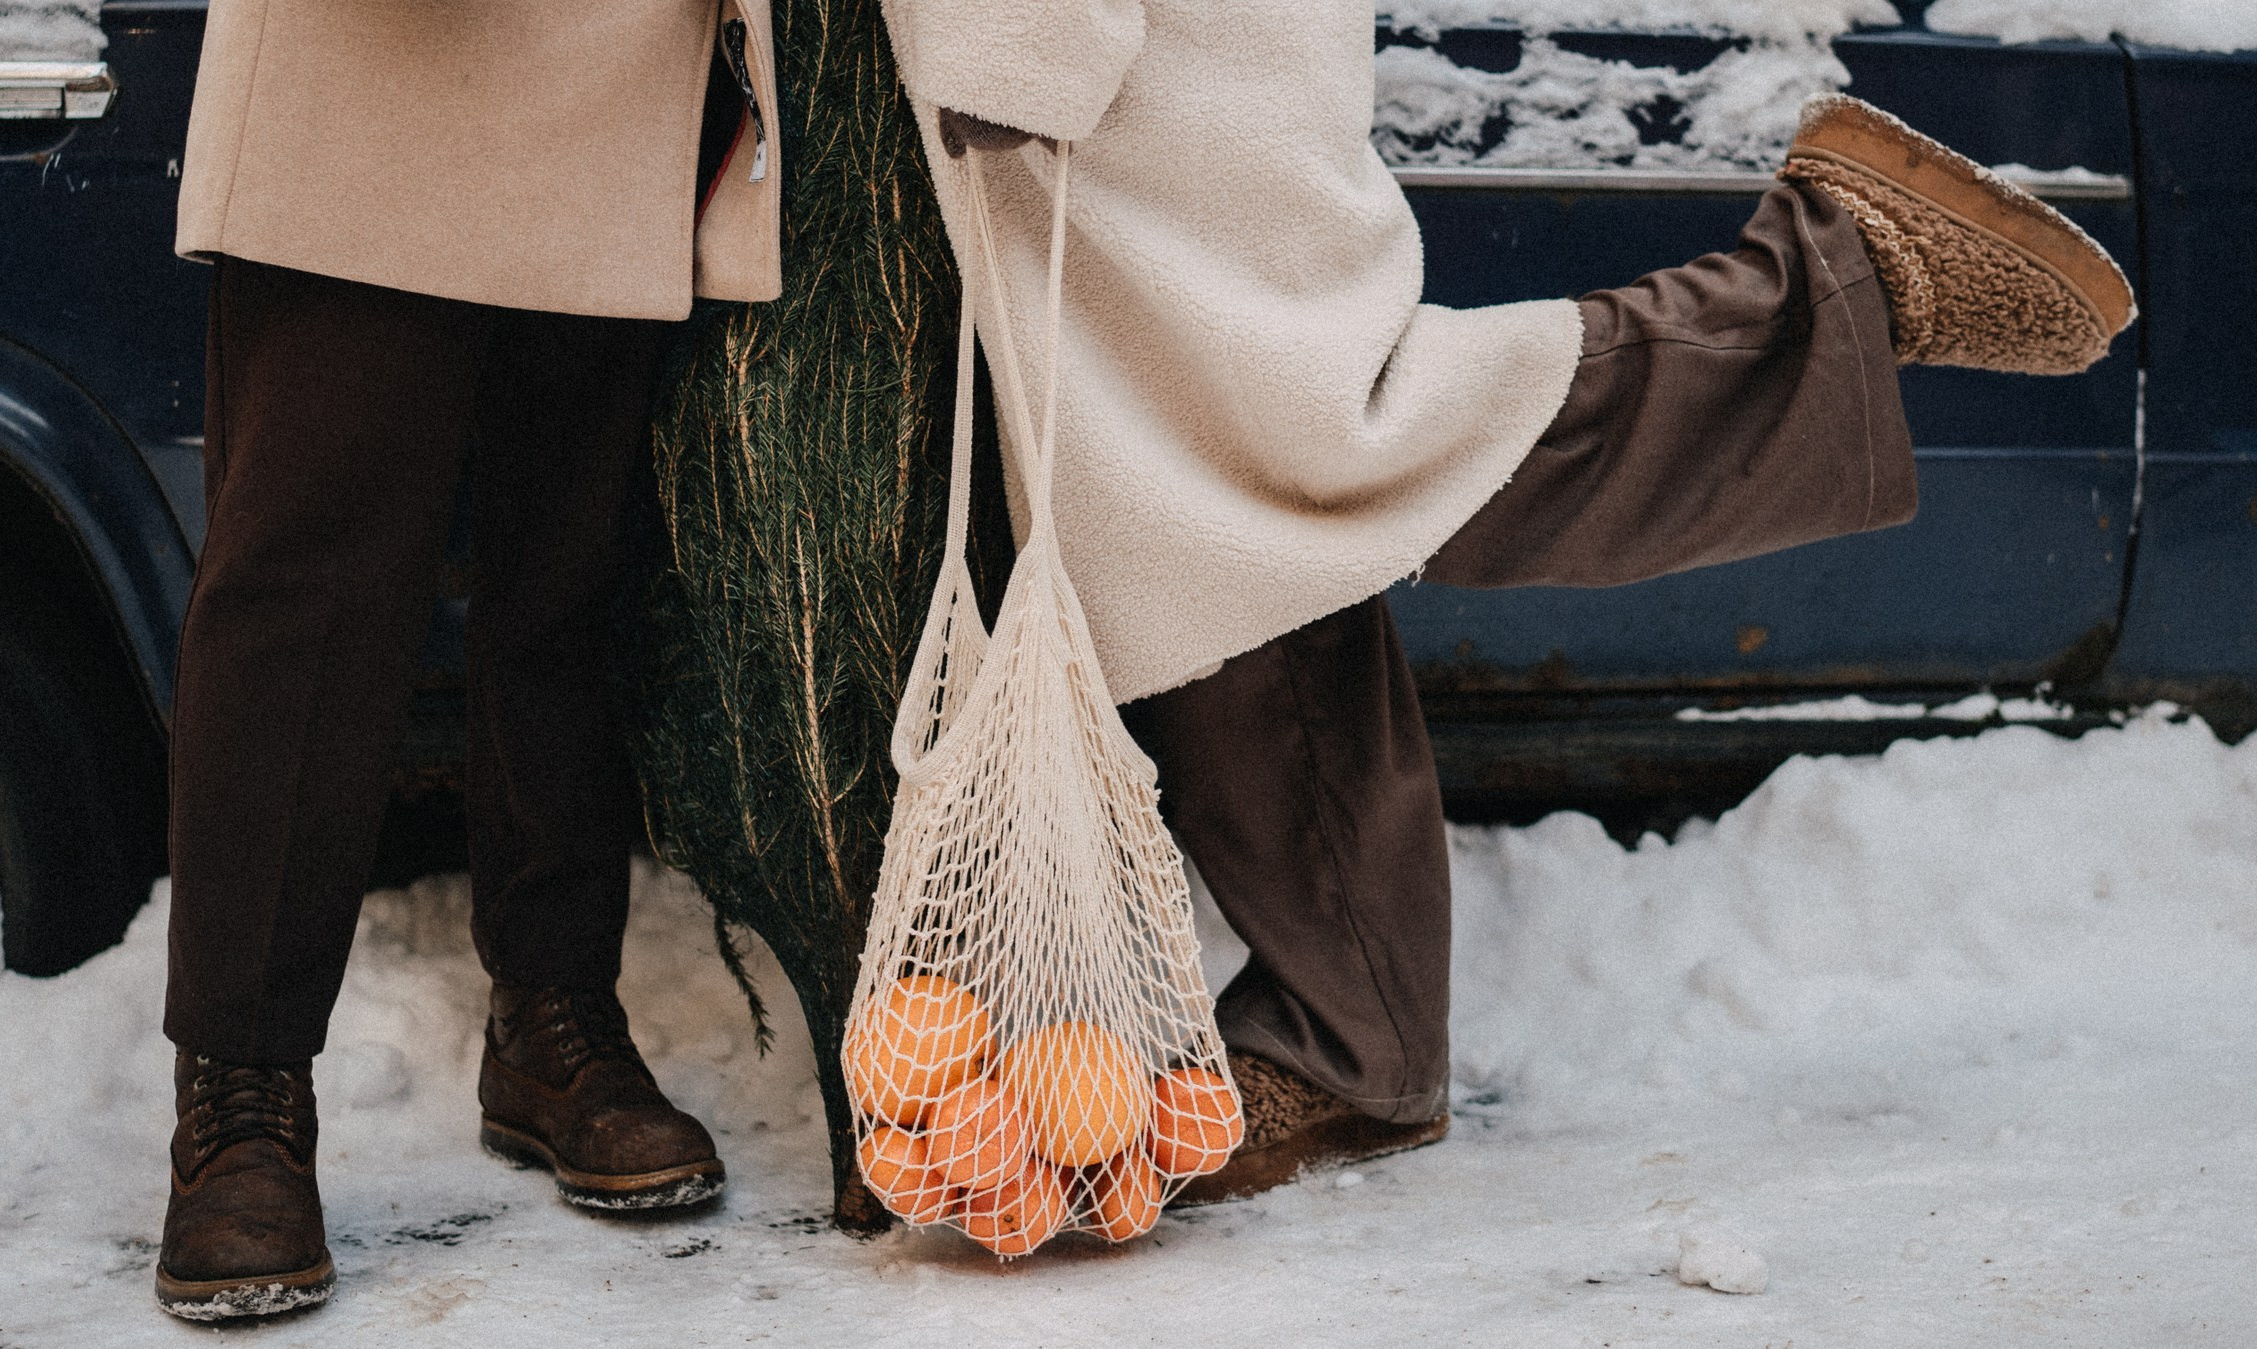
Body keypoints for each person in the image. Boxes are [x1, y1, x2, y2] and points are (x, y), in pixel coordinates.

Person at [890, 0, 2134, 1207]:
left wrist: (1013, 30)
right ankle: (1352, 1035)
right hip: (1142, 76)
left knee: (1322, 451)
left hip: (1125, 73)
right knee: (1198, 517)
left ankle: (1837, 271)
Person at [149, 0, 785, 1320]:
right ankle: (242, 1095)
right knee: (305, 596)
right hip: (368, 66)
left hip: (618, 79)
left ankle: (554, 1023)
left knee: (568, 584)